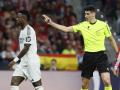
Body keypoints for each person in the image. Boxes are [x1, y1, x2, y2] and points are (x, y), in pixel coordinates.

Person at [42, 5, 118, 90]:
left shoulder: (103, 25)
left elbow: (111, 40)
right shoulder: (82, 25)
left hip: (101, 56)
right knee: (84, 84)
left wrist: (117, 52)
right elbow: (66, 29)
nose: (85, 16)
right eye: (85, 14)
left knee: (106, 80)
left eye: (87, 14)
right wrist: (51, 23)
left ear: (93, 14)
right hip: (88, 56)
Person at [8, 10, 44, 90]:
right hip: (23, 61)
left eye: (18, 17)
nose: (16, 19)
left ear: (24, 18)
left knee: (37, 86)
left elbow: (26, 48)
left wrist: (15, 60)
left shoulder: (29, 30)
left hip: (31, 61)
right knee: (14, 82)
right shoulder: (22, 31)